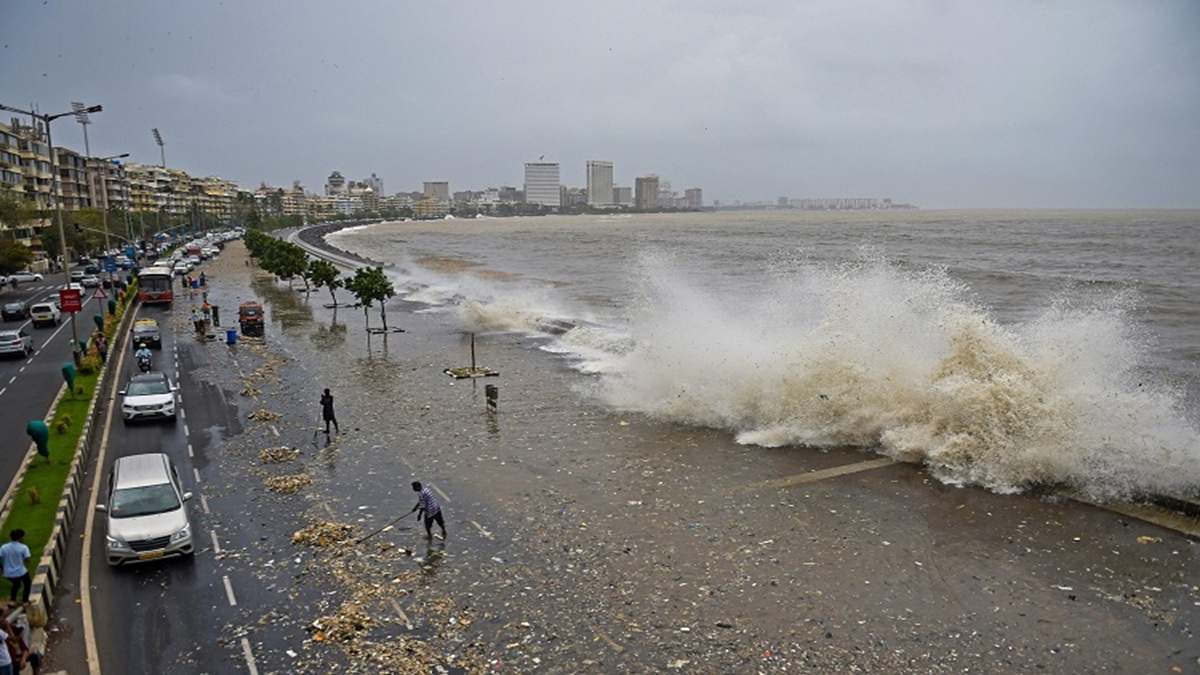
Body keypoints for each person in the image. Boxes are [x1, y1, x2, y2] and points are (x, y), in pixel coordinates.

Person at [0, 531, 30, 608]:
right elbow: (28, 559)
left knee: (16, 584)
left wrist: (1, 568)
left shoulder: (3, 547)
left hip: (8, 573)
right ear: (20, 538)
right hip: (21, 572)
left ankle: (12, 600)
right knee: (27, 583)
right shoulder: (23, 547)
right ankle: (25, 601)